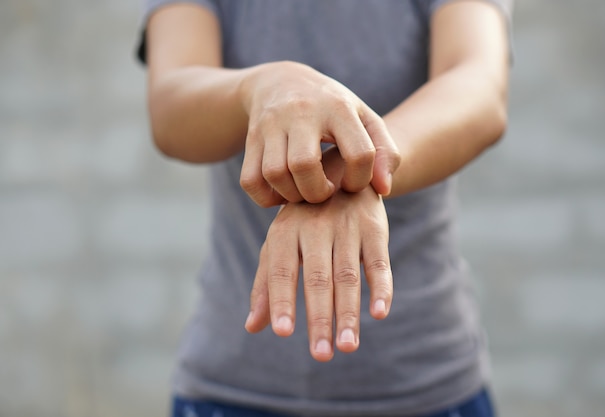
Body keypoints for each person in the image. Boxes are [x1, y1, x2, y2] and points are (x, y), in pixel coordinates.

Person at [136, 1, 513, 416]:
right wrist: (264, 86)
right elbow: (171, 105)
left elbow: (478, 84)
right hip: (234, 386)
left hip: (424, 381)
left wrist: (357, 170)